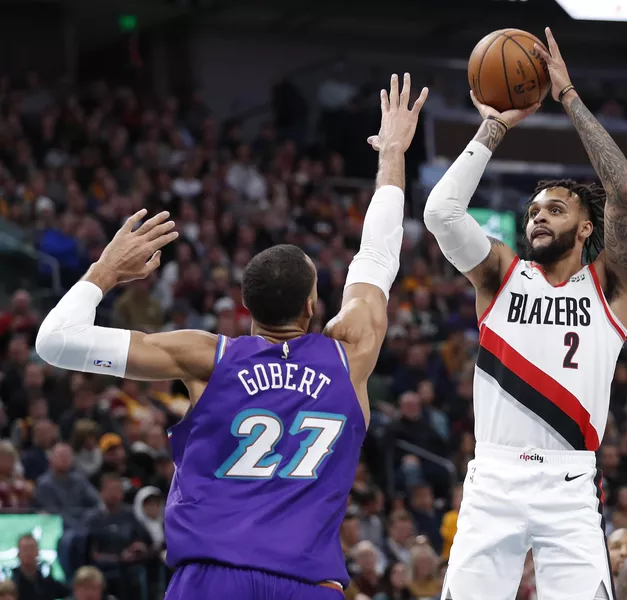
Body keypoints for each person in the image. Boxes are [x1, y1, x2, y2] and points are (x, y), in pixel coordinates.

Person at [35, 73, 428, 600]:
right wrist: (392, 153)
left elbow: (55, 342)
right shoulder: (350, 352)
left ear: (245, 309)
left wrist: (104, 271)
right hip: (308, 583)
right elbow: (378, 254)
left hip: (210, 578)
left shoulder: (204, 356)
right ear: (313, 305)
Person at [419, 27, 627, 600]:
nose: (538, 217)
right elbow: (442, 214)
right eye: (533, 210)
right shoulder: (499, 274)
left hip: (570, 484)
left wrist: (568, 97)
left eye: (555, 209)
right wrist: (492, 127)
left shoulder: (611, 285)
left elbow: (622, 193)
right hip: (493, 477)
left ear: (586, 227)